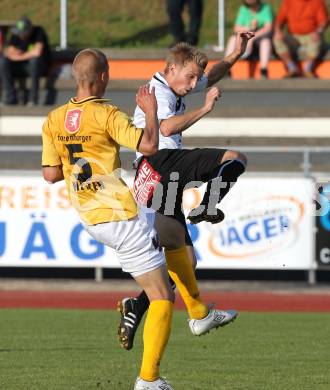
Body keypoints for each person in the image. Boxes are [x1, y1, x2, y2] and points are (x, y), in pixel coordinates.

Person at [42, 48, 175, 390]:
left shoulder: (54, 119)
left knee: (170, 255)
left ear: (76, 77)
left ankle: (137, 304)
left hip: (90, 217)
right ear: (103, 76)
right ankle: (149, 380)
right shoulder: (107, 114)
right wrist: (152, 111)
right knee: (163, 296)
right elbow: (147, 147)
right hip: (120, 213)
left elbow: (50, 174)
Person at [117, 31, 255, 352]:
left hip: (151, 177)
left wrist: (235, 54)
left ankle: (143, 307)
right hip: (164, 163)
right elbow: (165, 128)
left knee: (183, 258)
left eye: (196, 79)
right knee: (235, 159)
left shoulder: (177, 83)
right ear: (171, 68)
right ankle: (208, 205)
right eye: (189, 77)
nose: (194, 85)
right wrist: (205, 109)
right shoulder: (157, 90)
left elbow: (211, 75)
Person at [0, 16, 51, 105]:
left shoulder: (38, 32)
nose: (21, 35)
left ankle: (33, 99)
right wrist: (23, 54)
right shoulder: (16, 34)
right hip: (20, 67)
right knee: (3, 62)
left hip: (38, 68)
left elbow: (37, 52)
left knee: (34, 61)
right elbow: (9, 51)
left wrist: (20, 56)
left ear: (30, 30)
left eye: (23, 33)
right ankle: (10, 98)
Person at [273, 0, 329, 78]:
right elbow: (279, 21)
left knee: (316, 39)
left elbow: (323, 22)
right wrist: (278, 31)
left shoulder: (317, 2)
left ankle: (307, 70)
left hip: (311, 36)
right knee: (277, 39)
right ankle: (292, 68)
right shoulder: (288, 2)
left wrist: (318, 31)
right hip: (293, 37)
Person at [225, 0, 274, 79]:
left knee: (265, 41)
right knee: (232, 39)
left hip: (259, 41)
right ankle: (227, 68)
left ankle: (263, 71)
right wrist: (249, 28)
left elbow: (268, 28)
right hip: (246, 38)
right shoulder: (243, 9)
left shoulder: (266, 8)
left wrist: (253, 37)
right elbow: (236, 28)